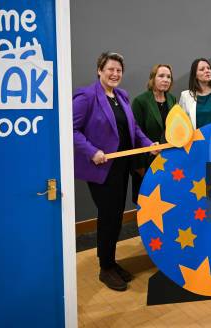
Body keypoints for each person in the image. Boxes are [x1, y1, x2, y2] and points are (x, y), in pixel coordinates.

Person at [72, 52, 156, 292]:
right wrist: (92, 151)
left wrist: (149, 145)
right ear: (99, 70)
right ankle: (105, 269)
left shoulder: (122, 96)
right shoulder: (86, 96)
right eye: (110, 69)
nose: (115, 74)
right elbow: (71, 129)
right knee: (109, 217)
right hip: (102, 167)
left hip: (121, 167)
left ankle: (110, 262)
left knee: (116, 216)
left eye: (119, 70)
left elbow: (134, 128)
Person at [131, 64, 177, 203]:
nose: (165, 80)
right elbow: (135, 134)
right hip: (147, 160)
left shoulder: (172, 99)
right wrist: (139, 167)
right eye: (161, 76)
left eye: (168, 77)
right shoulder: (140, 101)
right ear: (152, 79)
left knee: (168, 199)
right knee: (148, 201)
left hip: (169, 159)